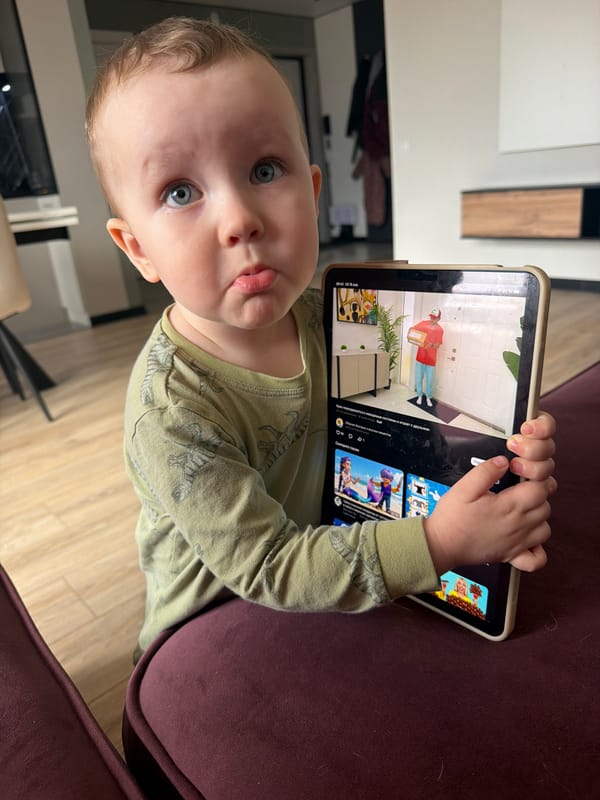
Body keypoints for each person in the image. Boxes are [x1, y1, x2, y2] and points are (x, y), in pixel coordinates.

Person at [85, 16, 557, 662]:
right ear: (137, 248)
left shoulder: (336, 315)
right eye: (181, 191)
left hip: (335, 562)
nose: (239, 220)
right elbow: (269, 567)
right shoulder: (172, 408)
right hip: (215, 628)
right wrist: (440, 544)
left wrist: (498, 461)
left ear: (312, 192)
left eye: (263, 169)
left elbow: (402, 422)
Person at [409, 308, 444, 407]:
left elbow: (437, 346)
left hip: (431, 360)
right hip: (420, 357)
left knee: (429, 381)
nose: (432, 319)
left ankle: (428, 397)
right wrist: (413, 335)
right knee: (418, 378)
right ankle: (419, 395)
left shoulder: (440, 330)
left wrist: (431, 345)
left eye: (435, 318)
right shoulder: (423, 324)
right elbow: (412, 330)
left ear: (439, 318)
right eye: (431, 317)